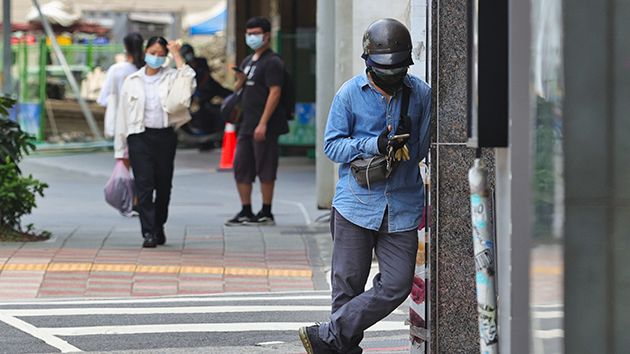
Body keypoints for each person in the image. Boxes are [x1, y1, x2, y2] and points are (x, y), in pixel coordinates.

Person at [298, 19, 431, 354]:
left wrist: (402, 142)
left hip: (402, 205)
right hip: (355, 203)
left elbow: (422, 149)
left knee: (397, 284)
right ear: (368, 62)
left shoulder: (421, 94)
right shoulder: (348, 94)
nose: (393, 75)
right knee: (347, 286)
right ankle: (343, 348)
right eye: (385, 69)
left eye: (399, 69)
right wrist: (374, 144)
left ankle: (329, 336)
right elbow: (332, 146)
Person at [113, 36, 196, 248]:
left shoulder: (171, 77)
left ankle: (159, 226)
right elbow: (122, 116)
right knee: (144, 185)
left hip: (165, 136)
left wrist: (176, 53)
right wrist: (120, 150)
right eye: (153, 53)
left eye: (161, 55)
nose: (156, 58)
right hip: (139, 137)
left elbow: (189, 81)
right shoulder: (132, 81)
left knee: (163, 185)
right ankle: (148, 232)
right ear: (145, 52)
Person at [225, 16, 289, 226]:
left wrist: (263, 123)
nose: (251, 37)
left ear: (267, 35)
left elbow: (275, 93)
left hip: (265, 126)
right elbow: (237, 91)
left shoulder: (273, 62)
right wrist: (240, 81)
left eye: (256, 33)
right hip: (246, 124)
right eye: (249, 33)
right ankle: (245, 210)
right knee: (241, 166)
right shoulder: (248, 61)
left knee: (266, 167)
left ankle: (266, 211)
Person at [97, 32, 144, 217]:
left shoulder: (117, 70)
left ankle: (128, 201)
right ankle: (138, 201)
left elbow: (104, 99)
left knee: (125, 163)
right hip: (142, 123)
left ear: (125, 48)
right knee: (141, 166)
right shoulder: (143, 69)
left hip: (122, 125)